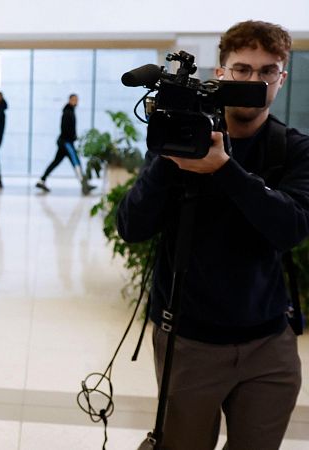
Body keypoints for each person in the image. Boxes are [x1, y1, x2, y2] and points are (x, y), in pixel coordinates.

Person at [117, 20, 307, 450]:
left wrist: (225, 170)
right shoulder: (183, 140)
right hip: (189, 340)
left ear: (282, 76)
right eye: (242, 69)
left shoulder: (293, 149)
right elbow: (132, 227)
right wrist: (170, 157)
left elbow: (291, 228)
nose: (254, 80)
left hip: (269, 344)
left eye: (267, 71)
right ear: (220, 73)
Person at [36, 94, 95, 195]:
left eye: (77, 100)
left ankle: (41, 180)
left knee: (56, 162)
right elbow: (65, 128)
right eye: (74, 99)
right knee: (76, 161)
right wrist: (72, 137)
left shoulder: (70, 111)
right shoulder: (68, 112)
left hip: (65, 141)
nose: (76, 101)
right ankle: (84, 184)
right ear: (70, 100)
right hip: (66, 142)